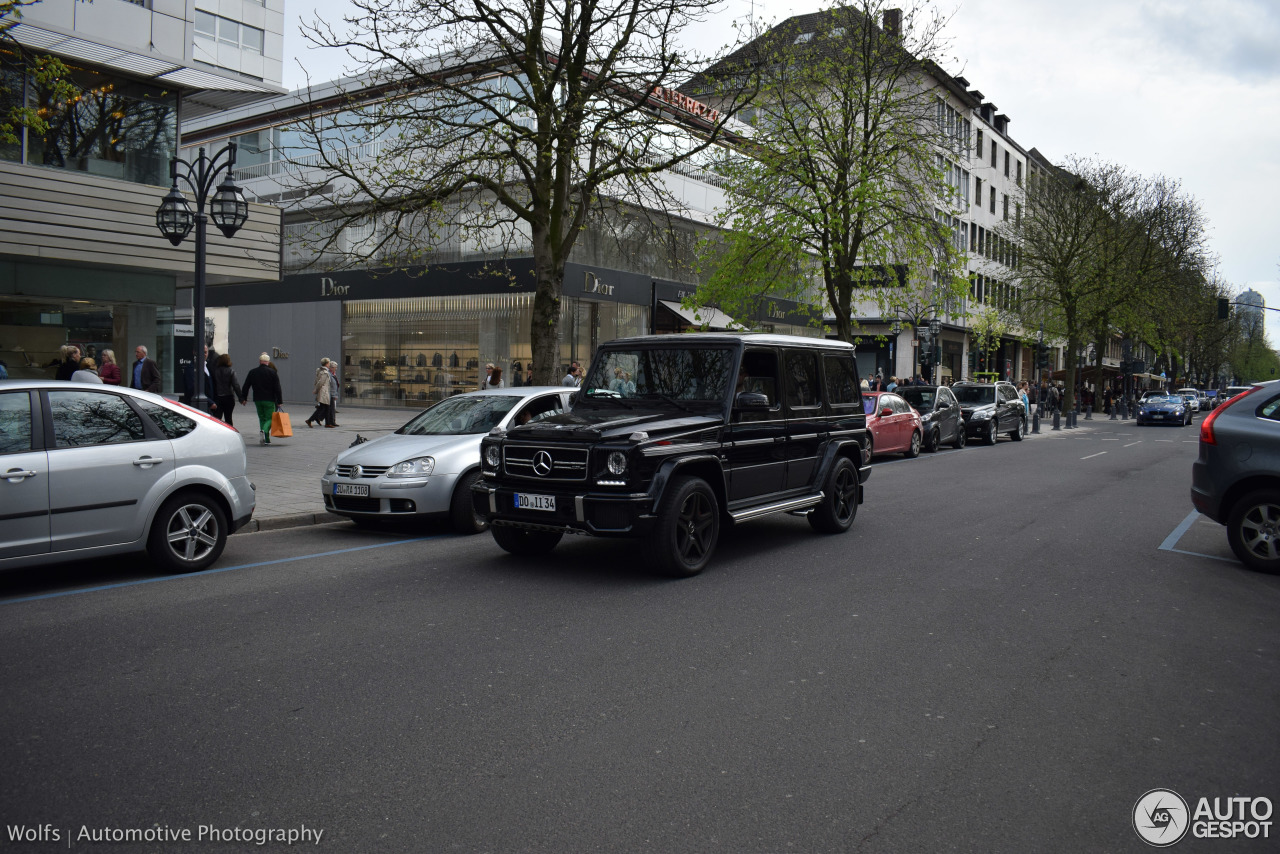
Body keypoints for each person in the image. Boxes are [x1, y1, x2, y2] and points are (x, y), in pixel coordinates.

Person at [240, 353, 284, 444]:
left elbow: (246, 386)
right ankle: (264, 431)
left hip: (257, 399)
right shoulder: (272, 372)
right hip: (269, 399)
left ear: (260, 361)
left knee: (262, 418)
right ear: (268, 362)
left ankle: (266, 439)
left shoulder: (252, 372)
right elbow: (277, 388)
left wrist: (243, 398)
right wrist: (279, 401)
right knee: (270, 418)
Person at [211, 353, 243, 426]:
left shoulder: (215, 371)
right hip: (229, 397)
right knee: (228, 417)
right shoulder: (231, 371)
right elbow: (236, 385)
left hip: (218, 397)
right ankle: (230, 432)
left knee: (217, 417)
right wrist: (241, 398)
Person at [306, 357, 333, 427]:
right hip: (324, 392)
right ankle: (310, 420)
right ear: (327, 364)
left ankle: (327, 423)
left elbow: (316, 381)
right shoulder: (325, 372)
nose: (329, 364)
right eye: (329, 363)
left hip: (323, 392)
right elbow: (320, 382)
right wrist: (316, 390)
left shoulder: (320, 371)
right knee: (324, 407)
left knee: (325, 408)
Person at [327, 359, 340, 427]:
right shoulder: (329, 375)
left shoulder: (333, 374)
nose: (336, 369)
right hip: (330, 394)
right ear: (331, 368)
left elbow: (335, 385)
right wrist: (334, 394)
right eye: (335, 367)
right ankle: (330, 422)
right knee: (331, 409)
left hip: (333, 394)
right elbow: (331, 386)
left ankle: (332, 421)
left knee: (332, 409)